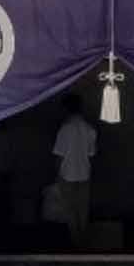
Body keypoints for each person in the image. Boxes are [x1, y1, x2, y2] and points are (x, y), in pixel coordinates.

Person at [50, 92, 97, 248]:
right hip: (85, 174)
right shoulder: (90, 130)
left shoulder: (64, 130)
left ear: (66, 109)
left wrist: (56, 176)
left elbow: (59, 156)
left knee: (70, 211)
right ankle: (83, 242)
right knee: (83, 210)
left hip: (67, 175)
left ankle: (74, 244)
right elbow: (91, 156)